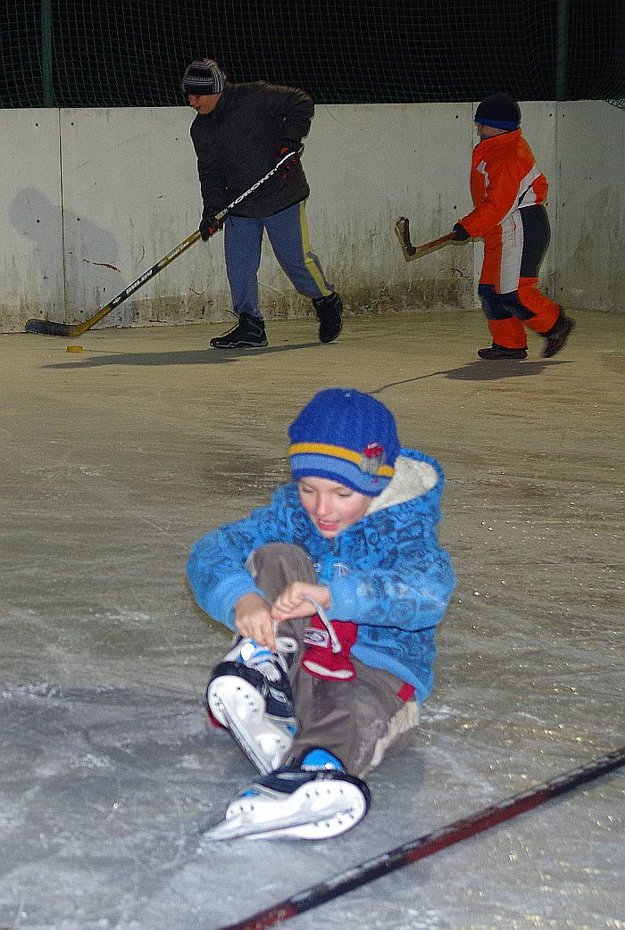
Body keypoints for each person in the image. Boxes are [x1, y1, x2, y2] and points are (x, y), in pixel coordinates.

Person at [187, 388, 455, 840]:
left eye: (341, 493)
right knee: (277, 555)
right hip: (298, 661)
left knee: (349, 711)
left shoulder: (405, 532)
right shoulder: (292, 515)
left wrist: (336, 595)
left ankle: (315, 772)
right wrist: (243, 598)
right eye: (308, 488)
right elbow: (211, 550)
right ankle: (265, 675)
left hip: (376, 675)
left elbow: (427, 593)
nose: (322, 508)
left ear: (377, 482)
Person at [181, 58, 343, 349]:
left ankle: (326, 299)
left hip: (281, 194)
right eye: (188, 95)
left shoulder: (255, 97)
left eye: (197, 95)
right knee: (239, 267)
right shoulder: (201, 129)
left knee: (296, 262)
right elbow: (210, 172)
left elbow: (300, 102)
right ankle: (250, 325)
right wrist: (212, 210)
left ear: (216, 89)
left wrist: (289, 140)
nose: (192, 102)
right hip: (240, 204)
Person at [451, 93, 575, 360]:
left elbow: (499, 204)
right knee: (490, 290)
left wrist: (468, 227)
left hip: (521, 226)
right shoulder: (493, 147)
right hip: (502, 230)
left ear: (499, 126)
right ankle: (509, 344)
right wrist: (474, 227)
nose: (478, 128)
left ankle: (555, 324)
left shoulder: (508, 155)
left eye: (482, 123)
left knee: (514, 292)